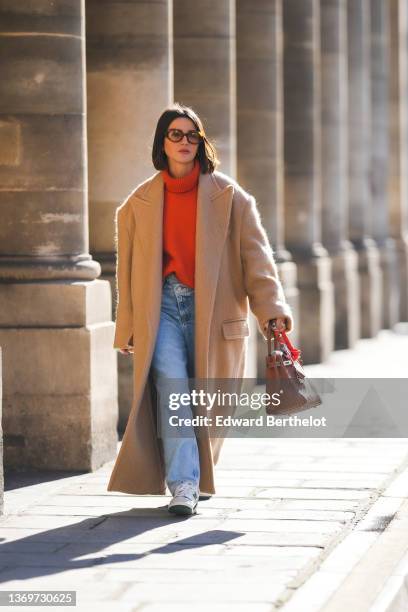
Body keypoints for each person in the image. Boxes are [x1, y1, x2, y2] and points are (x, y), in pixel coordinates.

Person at [112, 103, 294, 516]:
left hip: (214, 309)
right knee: (173, 392)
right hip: (163, 310)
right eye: (175, 134)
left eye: (192, 135)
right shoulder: (136, 204)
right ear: (162, 142)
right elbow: (128, 273)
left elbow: (257, 258)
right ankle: (184, 485)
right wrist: (127, 328)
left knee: (206, 399)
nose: (184, 142)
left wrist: (271, 308)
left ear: (201, 142)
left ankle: (196, 473)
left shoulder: (231, 197)